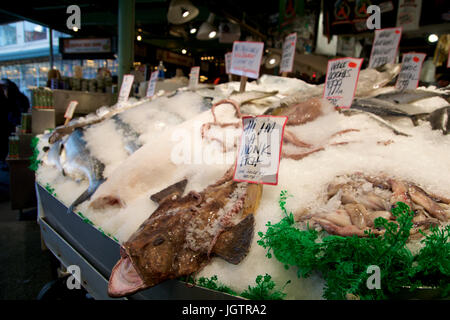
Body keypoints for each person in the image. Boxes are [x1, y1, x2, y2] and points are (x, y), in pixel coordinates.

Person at [0, 79, 30, 163]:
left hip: (12, 127)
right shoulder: (19, 97)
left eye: (4, 87)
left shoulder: (12, 99)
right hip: (13, 126)